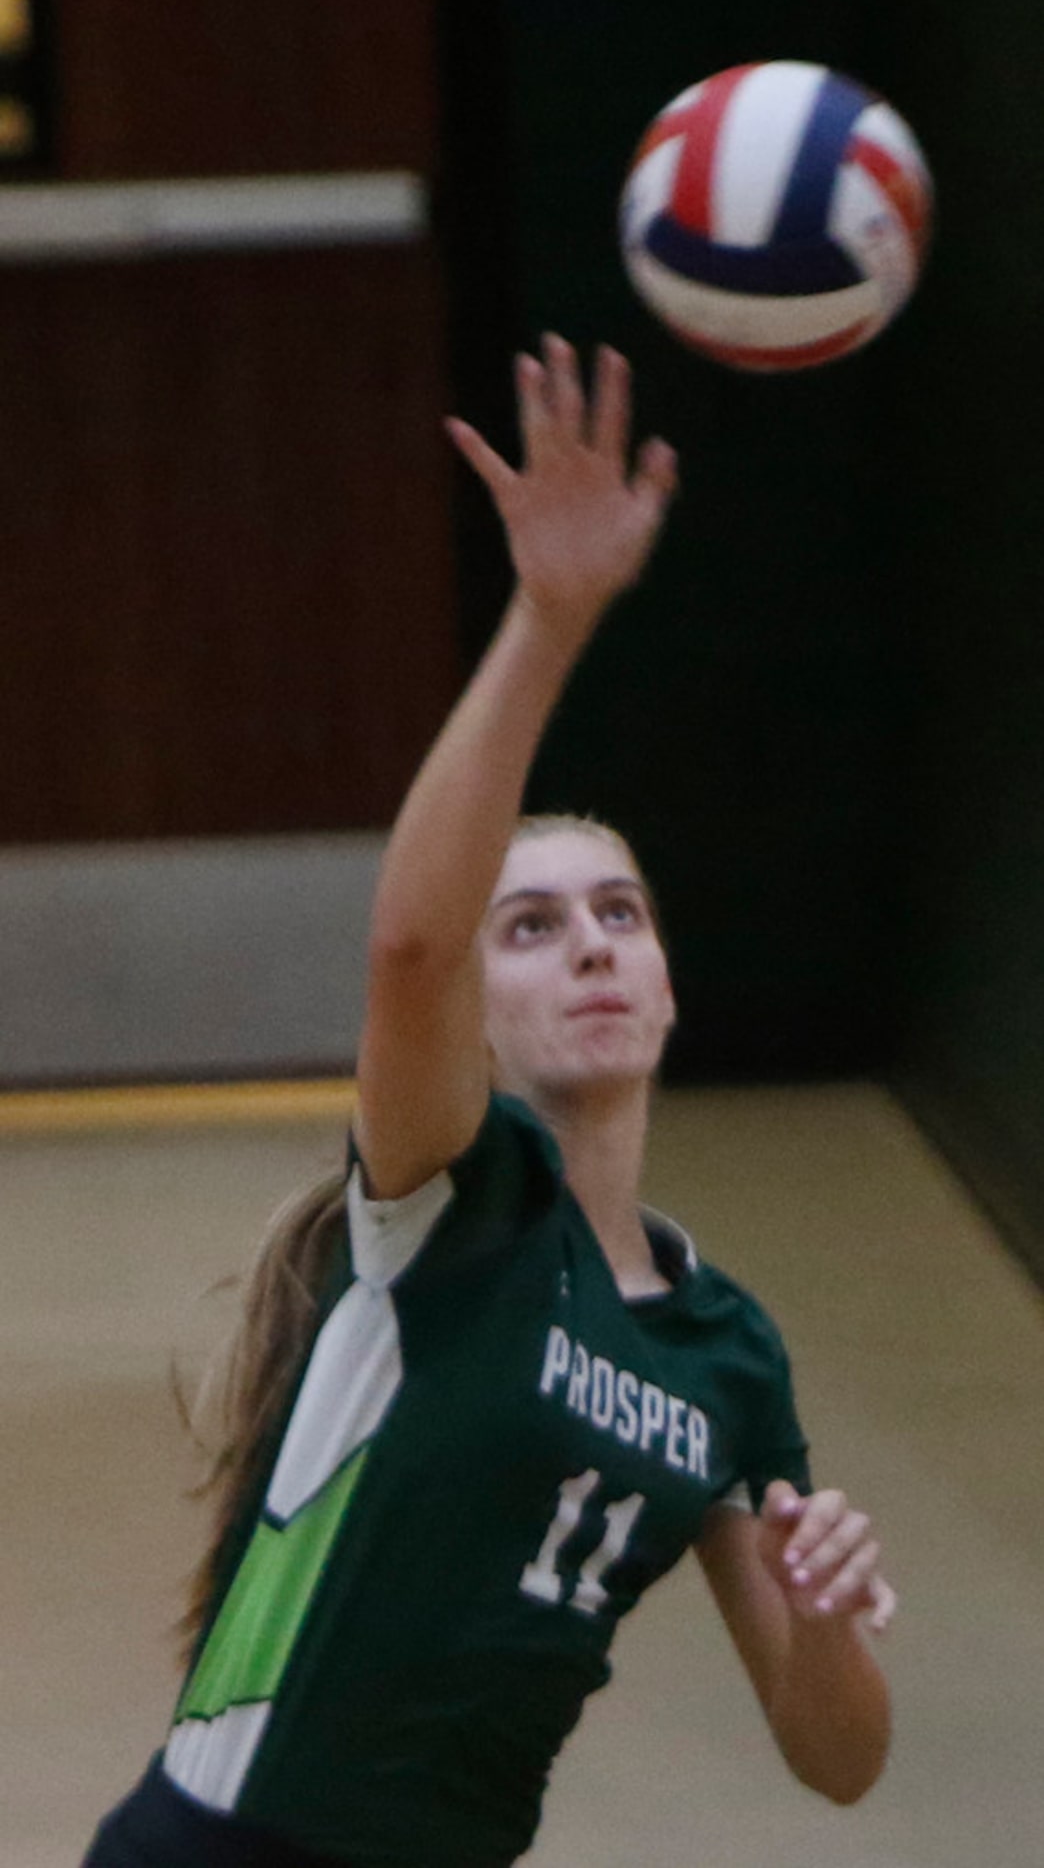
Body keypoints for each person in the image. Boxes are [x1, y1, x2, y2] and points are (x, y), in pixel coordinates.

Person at [82, 335, 895, 1868]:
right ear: (487, 1002)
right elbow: (407, 938)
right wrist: (550, 613)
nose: (589, 941)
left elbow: (834, 1756)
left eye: (621, 914)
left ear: (666, 985)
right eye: (531, 925)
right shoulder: (458, 1190)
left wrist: (836, 1618)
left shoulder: (727, 1350)